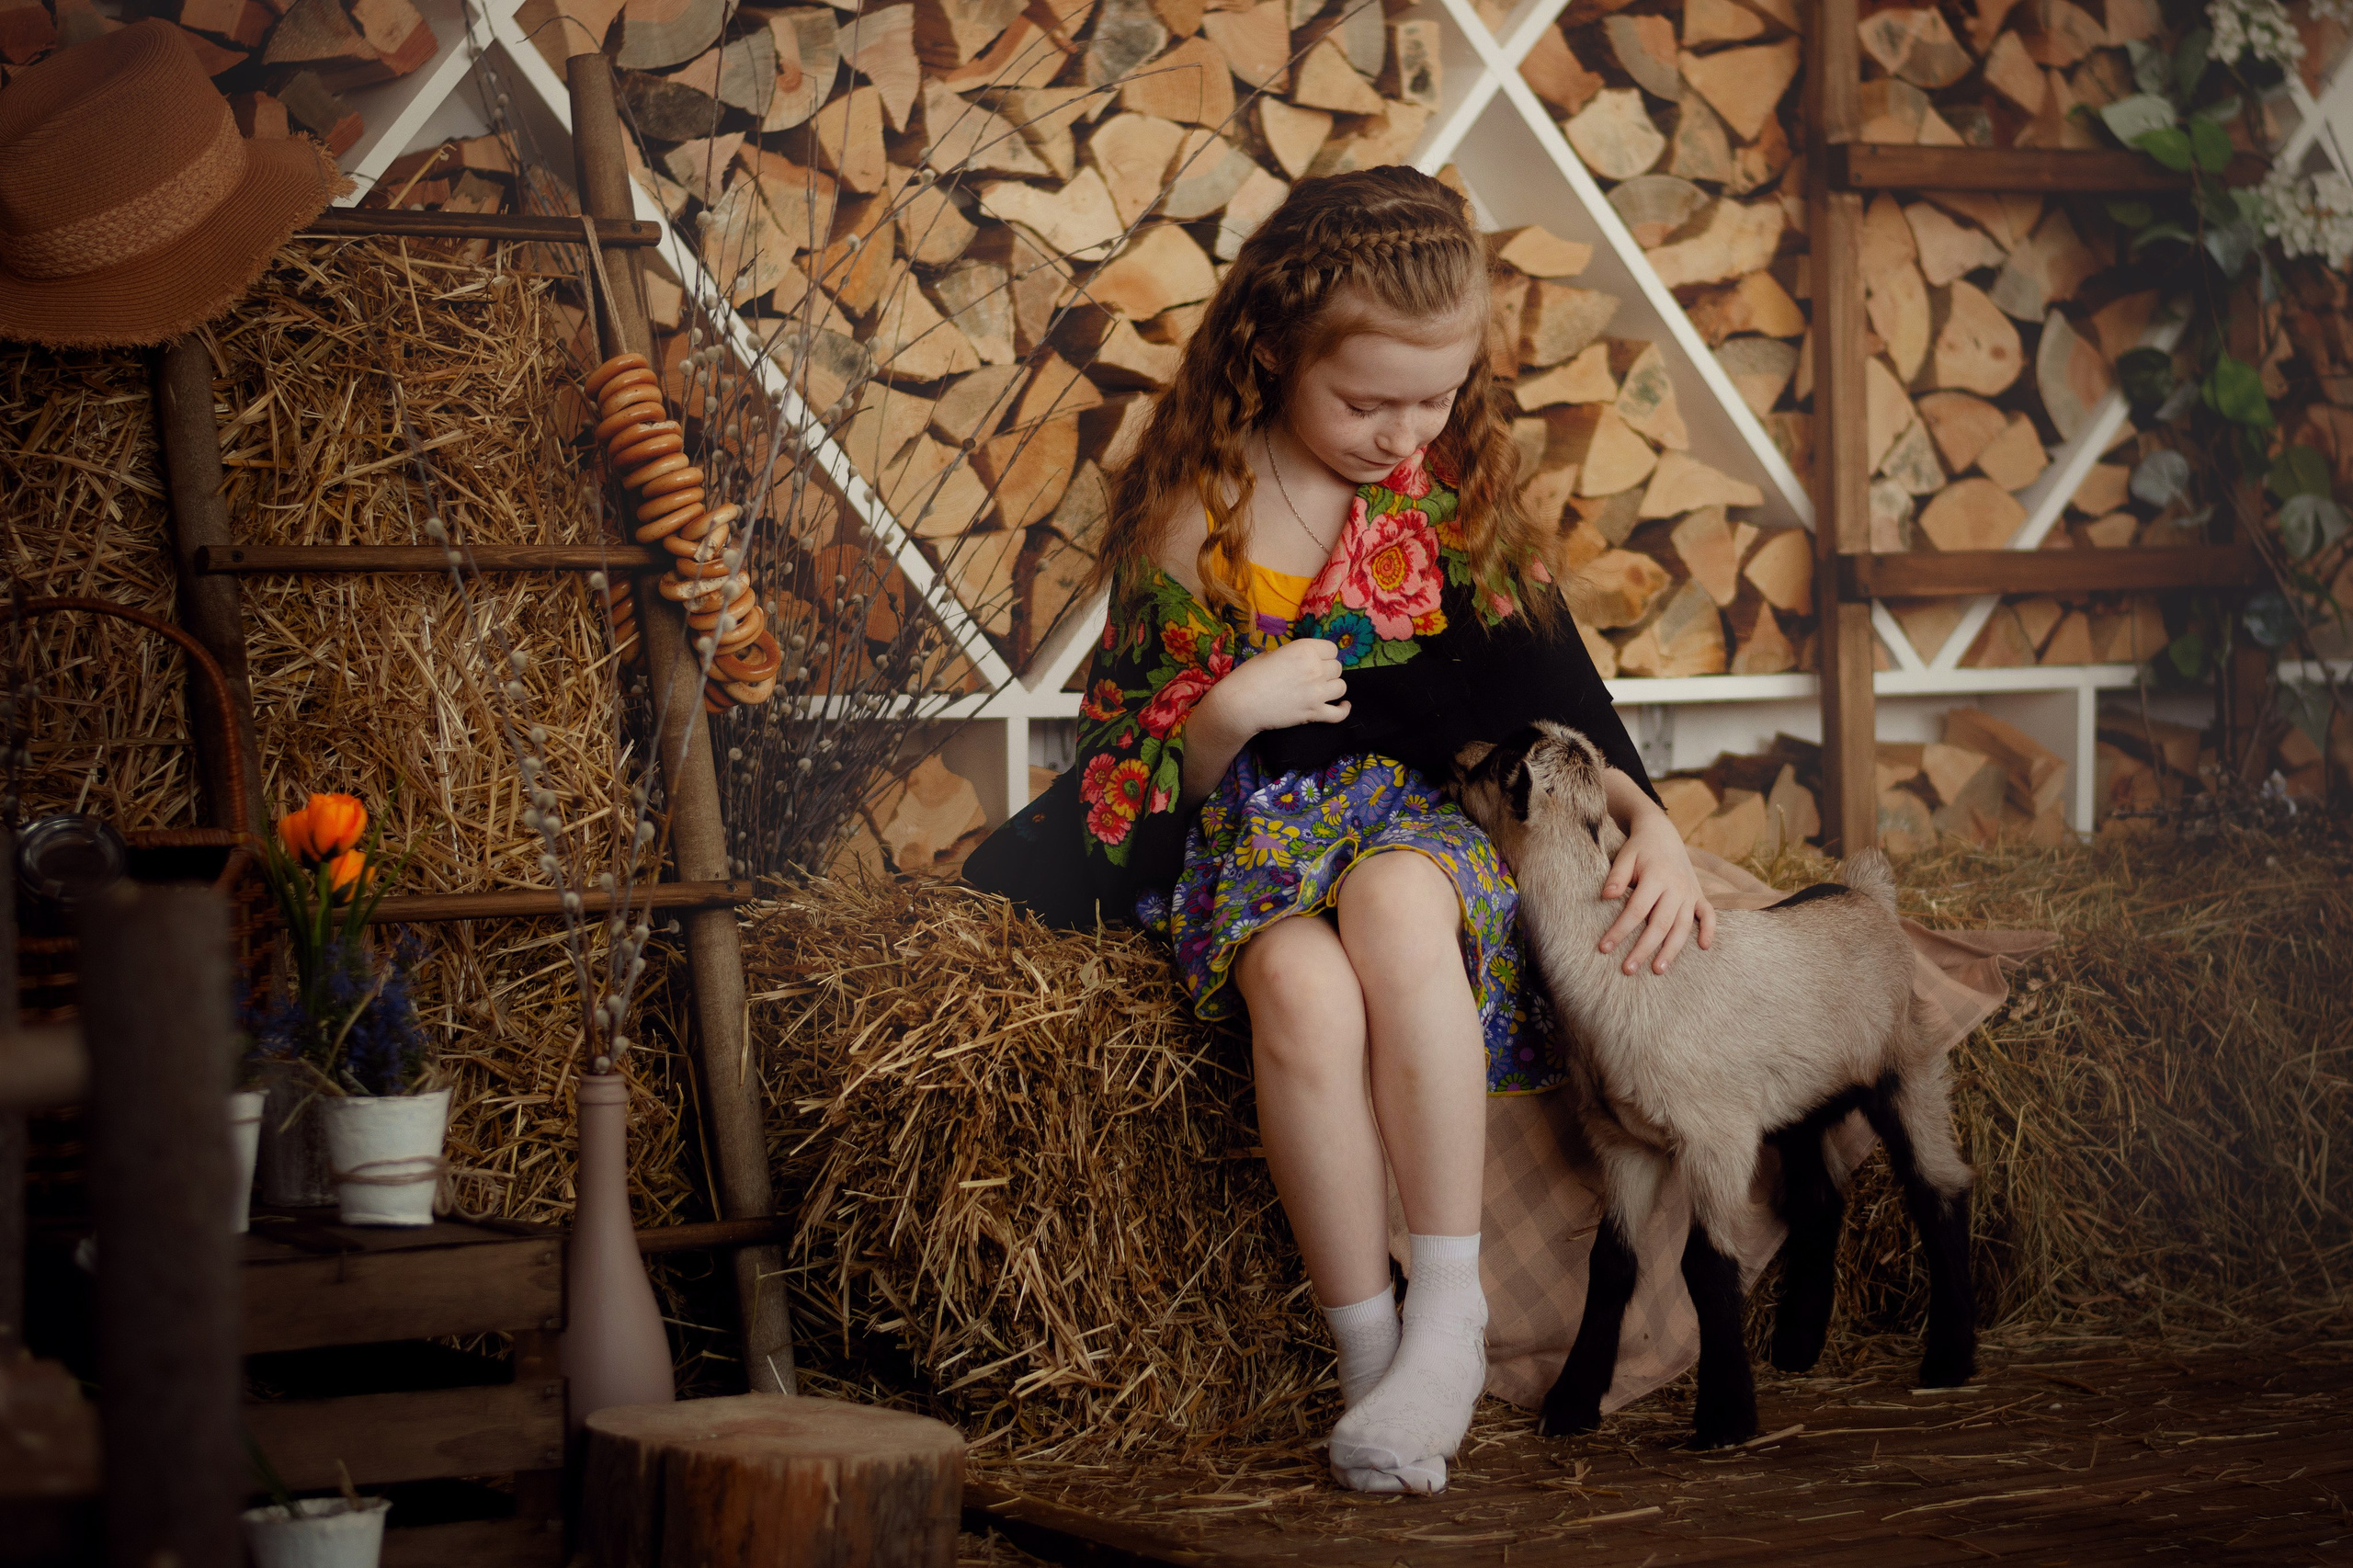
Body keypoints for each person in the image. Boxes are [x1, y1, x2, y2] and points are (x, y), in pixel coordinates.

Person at [965, 166, 1716, 1493]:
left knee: (1389, 905)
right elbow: (1123, 761)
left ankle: (1449, 1308)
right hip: (1250, 851)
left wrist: (1642, 818)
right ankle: (1372, 1366)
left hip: (1413, 831)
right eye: (1366, 400)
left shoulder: (1447, 493)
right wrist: (1224, 716)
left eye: (1435, 397)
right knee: (1303, 993)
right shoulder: (1203, 511)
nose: (1403, 432)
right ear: (1269, 351)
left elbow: (1556, 687)